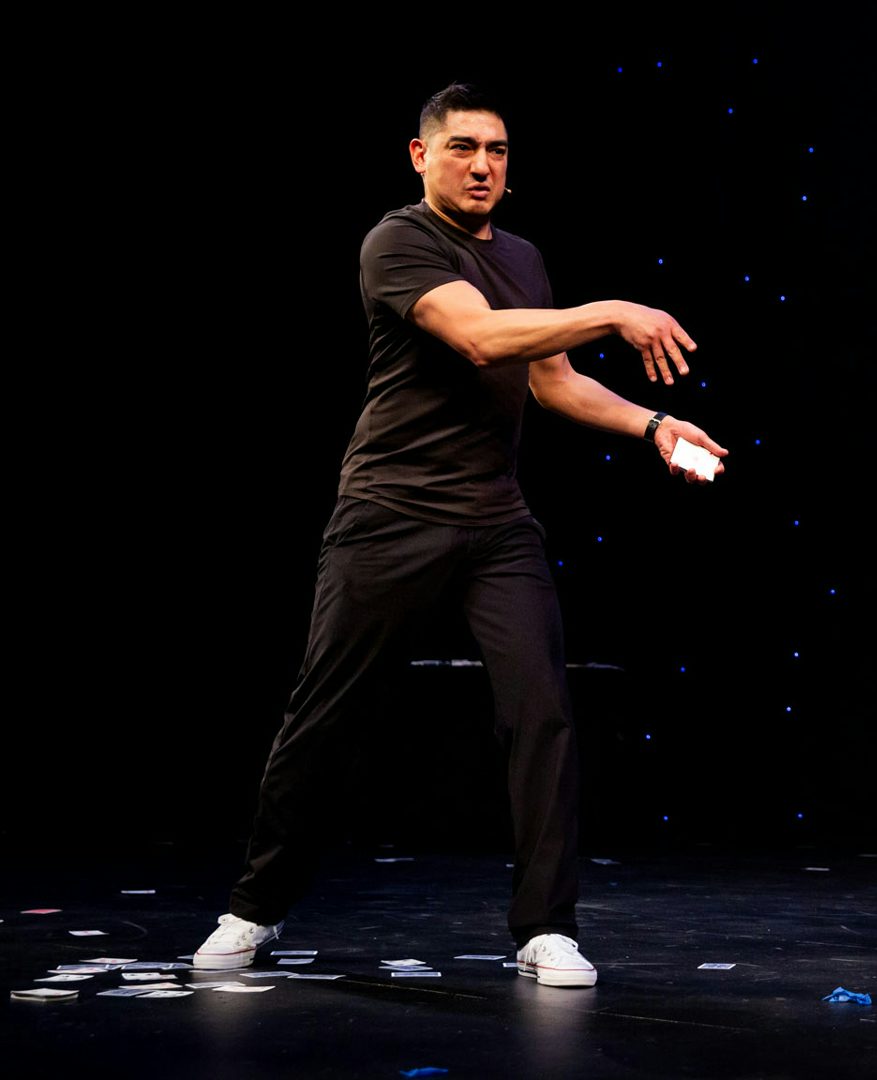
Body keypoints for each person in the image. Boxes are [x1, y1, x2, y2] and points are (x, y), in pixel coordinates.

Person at [193, 83, 728, 988]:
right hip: (390, 513)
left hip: (495, 520)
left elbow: (552, 381)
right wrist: (611, 311)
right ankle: (255, 907)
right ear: (421, 155)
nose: (483, 166)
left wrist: (651, 425)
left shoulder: (522, 256)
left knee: (542, 711)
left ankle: (545, 928)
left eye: (499, 151)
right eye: (463, 148)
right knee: (326, 717)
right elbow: (479, 338)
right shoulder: (396, 242)